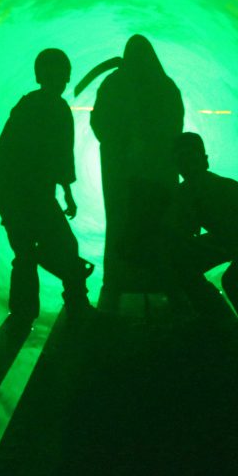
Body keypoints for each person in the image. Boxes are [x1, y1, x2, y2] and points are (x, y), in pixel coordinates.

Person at [0, 48, 94, 321]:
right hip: (24, 194)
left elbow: (57, 157)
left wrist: (65, 192)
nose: (61, 79)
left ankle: (24, 315)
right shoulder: (50, 108)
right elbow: (59, 157)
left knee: (27, 252)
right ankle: (73, 303)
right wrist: (65, 193)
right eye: (58, 73)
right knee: (57, 247)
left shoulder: (34, 106)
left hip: (16, 193)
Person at [83, 35, 184, 299]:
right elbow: (176, 126)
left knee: (124, 221)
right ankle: (158, 279)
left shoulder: (115, 82)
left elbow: (99, 122)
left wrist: (124, 145)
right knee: (146, 221)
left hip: (124, 171)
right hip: (147, 171)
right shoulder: (165, 85)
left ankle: (121, 280)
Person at [168, 132, 238, 309]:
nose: (187, 165)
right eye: (182, 159)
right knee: (183, 265)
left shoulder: (219, 186)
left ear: (204, 161)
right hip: (228, 239)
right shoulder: (184, 194)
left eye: (191, 158)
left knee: (233, 282)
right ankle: (211, 314)